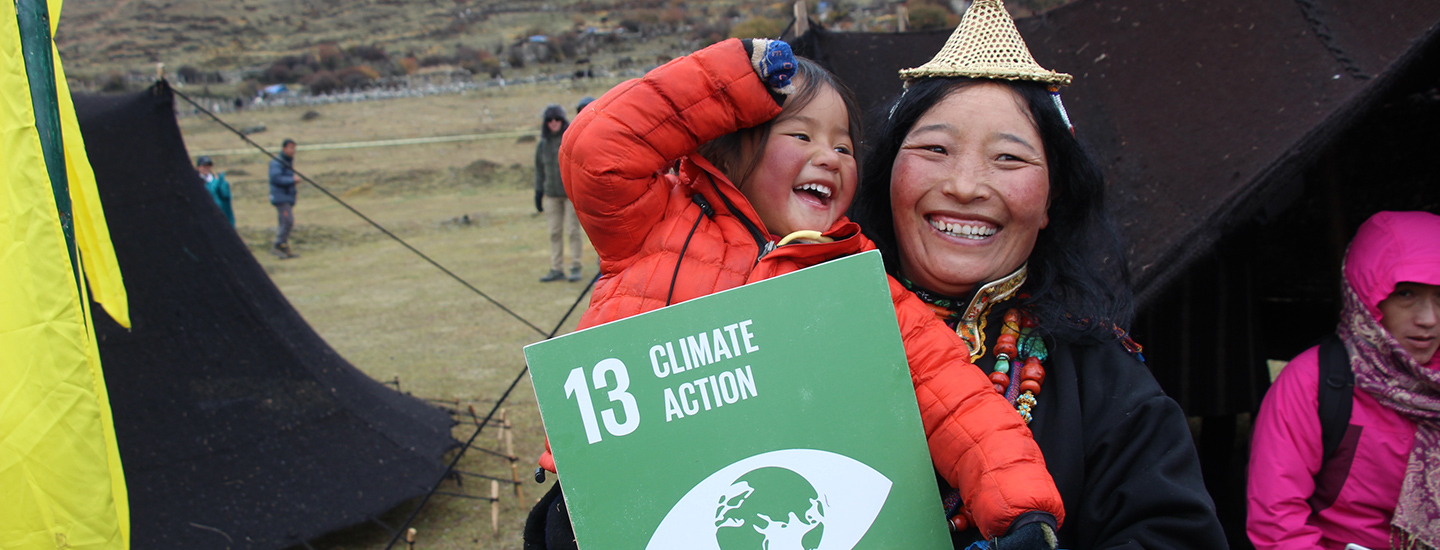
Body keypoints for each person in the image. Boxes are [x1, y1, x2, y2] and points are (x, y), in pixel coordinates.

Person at [524, 36, 1065, 550]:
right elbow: (596, 150)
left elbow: (957, 402)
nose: (829, 156)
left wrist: (1021, 510)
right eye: (801, 136)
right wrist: (739, 80)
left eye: (844, 146)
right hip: (627, 506)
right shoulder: (656, 223)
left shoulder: (860, 284)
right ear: (733, 149)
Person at [847, 2, 1227, 547]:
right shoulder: (809, 334)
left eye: (1008, 159)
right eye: (935, 149)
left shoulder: (1104, 379)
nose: (965, 185)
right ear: (887, 175)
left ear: (1051, 199)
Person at [1247, 211, 1440, 550]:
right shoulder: (1315, 382)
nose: (1428, 319)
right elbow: (1278, 522)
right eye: (1405, 294)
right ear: (1366, 296)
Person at [535, 104, 583, 282]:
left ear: (562, 121)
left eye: (557, 119)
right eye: (550, 120)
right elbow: (539, 171)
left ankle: (575, 265)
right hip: (551, 195)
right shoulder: (543, 145)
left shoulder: (569, 140)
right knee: (554, 232)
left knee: (573, 231)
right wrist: (538, 193)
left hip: (570, 194)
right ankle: (556, 268)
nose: (553, 123)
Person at [269, 138, 298, 259]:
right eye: (290, 147)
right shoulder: (277, 162)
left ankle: (284, 249)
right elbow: (275, 178)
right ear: (284, 148)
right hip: (281, 197)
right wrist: (292, 180)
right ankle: (278, 244)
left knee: (284, 222)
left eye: (294, 148)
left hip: (286, 196)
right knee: (288, 221)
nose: (293, 151)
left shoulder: (287, 161)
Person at [196, 156, 234, 226]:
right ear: (199, 167)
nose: (207, 168)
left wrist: (221, 181)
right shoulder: (195, 181)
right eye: (204, 166)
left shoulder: (216, 180)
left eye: (208, 166)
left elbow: (225, 195)